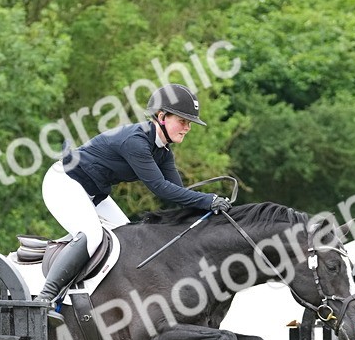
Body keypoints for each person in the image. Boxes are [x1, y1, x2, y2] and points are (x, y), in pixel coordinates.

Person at [36, 83, 230, 308]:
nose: (187, 127)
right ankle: (45, 297)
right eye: (183, 121)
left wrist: (210, 213)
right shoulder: (136, 141)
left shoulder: (163, 152)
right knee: (92, 235)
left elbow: (179, 193)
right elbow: (160, 187)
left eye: (189, 123)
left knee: (128, 239)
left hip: (93, 193)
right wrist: (208, 200)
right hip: (63, 183)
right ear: (162, 117)